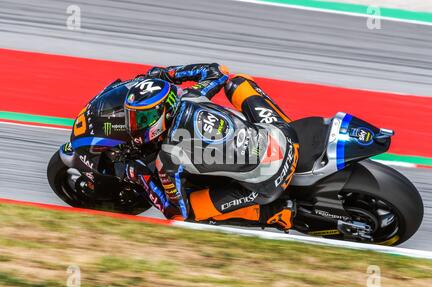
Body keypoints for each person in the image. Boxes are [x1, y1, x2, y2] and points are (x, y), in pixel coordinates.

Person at [70, 63, 299, 231]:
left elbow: (175, 211)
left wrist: (136, 174)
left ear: (160, 117)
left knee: (190, 218)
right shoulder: (192, 96)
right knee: (237, 81)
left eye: (140, 119)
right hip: (283, 134)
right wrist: (169, 74)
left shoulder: (169, 157)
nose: (133, 124)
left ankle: (275, 213)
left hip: (270, 180)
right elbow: (217, 71)